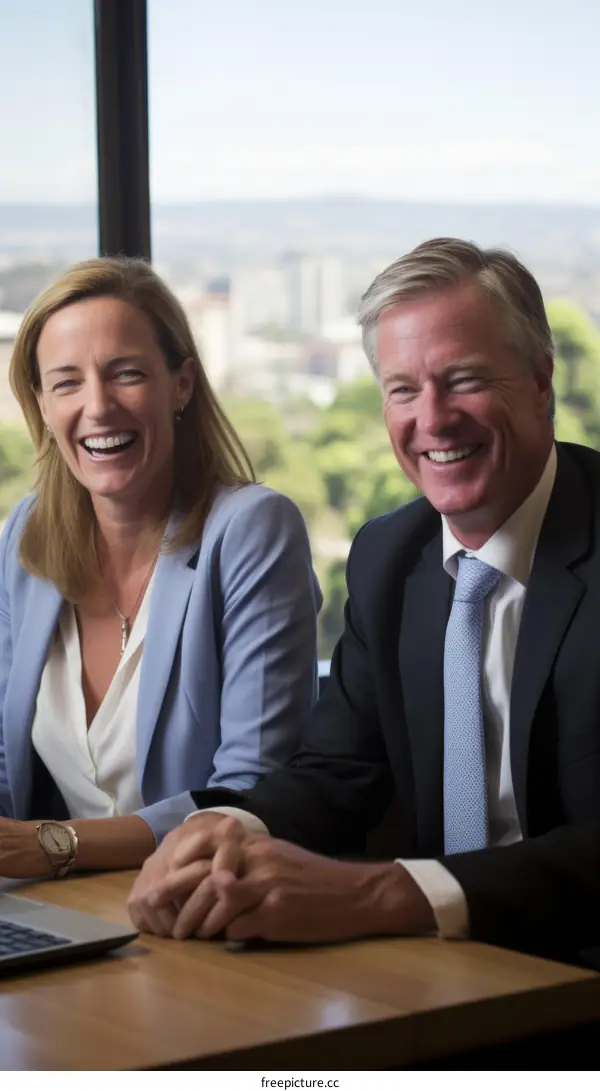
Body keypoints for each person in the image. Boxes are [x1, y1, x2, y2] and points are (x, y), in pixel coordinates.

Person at [128, 238, 600, 964]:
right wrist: (224, 833)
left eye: (463, 380)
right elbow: (337, 770)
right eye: (403, 390)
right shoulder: (389, 556)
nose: (433, 420)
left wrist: (381, 894)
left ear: (541, 381)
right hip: (442, 976)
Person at [0, 256, 321, 881]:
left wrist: (55, 845)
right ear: (41, 403)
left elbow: (251, 794)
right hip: (60, 908)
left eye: (126, 374)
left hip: (205, 905)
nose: (98, 406)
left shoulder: (251, 530)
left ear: (182, 384)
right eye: (66, 383)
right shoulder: (25, 535)